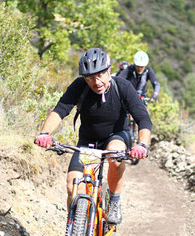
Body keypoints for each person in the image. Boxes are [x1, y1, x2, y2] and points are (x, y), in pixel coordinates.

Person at [34, 48, 152, 226]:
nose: (96, 82)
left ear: (109, 71)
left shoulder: (123, 87)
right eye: (89, 78)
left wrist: (142, 144)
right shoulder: (79, 87)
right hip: (88, 141)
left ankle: (113, 202)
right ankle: (73, 230)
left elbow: (143, 119)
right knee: (72, 186)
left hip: (116, 135)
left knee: (115, 155)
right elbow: (60, 111)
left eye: (100, 75)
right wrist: (45, 133)